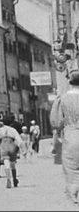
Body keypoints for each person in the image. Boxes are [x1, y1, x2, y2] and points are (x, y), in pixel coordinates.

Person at [51, 69, 79, 204]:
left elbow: (56, 122)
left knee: (72, 168)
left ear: (69, 81)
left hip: (71, 136)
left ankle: (74, 193)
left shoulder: (62, 99)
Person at [0, 114, 24, 189]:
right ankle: (14, 179)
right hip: (11, 146)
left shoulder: (0, 130)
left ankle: (8, 179)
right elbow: (19, 141)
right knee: (13, 164)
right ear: (11, 123)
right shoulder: (13, 130)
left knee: (6, 164)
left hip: (3, 146)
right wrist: (23, 150)